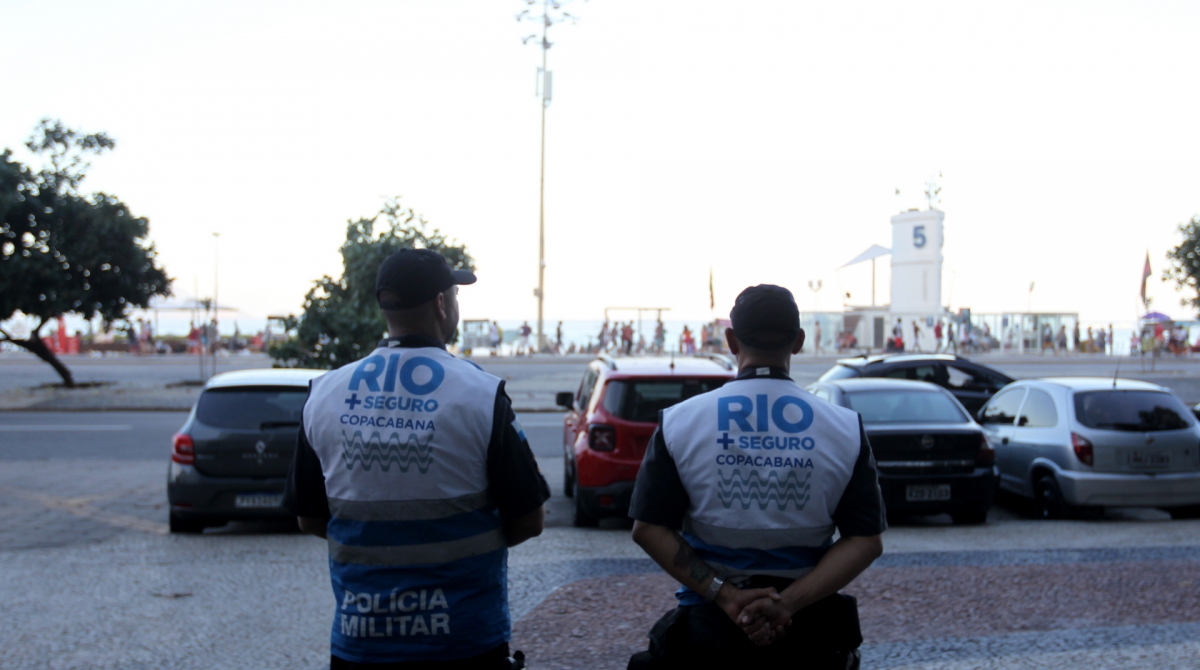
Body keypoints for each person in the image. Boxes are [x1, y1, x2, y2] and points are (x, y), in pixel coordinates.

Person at [283, 249, 550, 668]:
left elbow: (309, 519)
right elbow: (529, 520)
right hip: (463, 639)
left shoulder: (325, 394)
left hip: (361, 642)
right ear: (442, 305)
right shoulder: (480, 395)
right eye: (455, 297)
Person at [627, 285, 885, 668]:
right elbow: (865, 541)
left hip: (709, 630)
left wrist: (726, 596)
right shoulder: (845, 427)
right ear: (798, 342)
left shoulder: (680, 422)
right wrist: (788, 603)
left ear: (731, 340)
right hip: (809, 632)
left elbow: (648, 529)